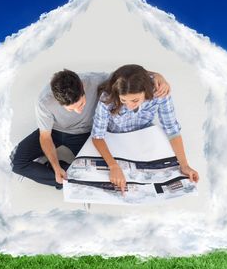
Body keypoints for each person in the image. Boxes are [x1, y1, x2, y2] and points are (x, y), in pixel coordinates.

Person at [10, 68, 171, 189]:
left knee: (102, 177)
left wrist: (158, 76)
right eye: (71, 109)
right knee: (17, 164)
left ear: (82, 86)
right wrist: (55, 167)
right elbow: (45, 137)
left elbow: (129, 75)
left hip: (85, 134)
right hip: (55, 132)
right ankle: (59, 170)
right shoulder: (44, 102)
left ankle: (65, 173)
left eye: (81, 104)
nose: (78, 110)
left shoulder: (95, 80)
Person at [91, 64, 199, 194]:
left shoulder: (159, 92)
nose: (130, 106)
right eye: (124, 100)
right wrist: (113, 166)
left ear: (146, 91)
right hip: (115, 141)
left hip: (144, 139)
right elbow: (97, 136)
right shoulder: (107, 99)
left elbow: (172, 129)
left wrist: (185, 165)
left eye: (135, 100)